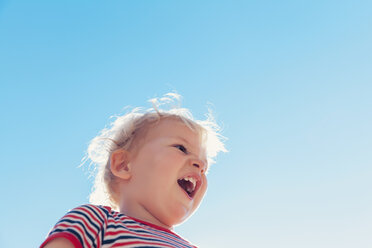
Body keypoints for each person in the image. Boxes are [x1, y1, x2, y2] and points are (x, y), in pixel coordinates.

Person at [40, 93, 226, 248]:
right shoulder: (95, 222)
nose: (200, 166)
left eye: (205, 166)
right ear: (123, 165)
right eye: (181, 148)